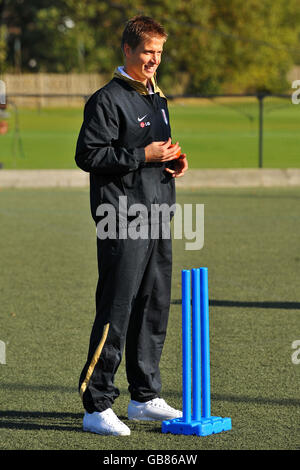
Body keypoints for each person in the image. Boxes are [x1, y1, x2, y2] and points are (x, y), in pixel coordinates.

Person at [75, 15, 188, 436]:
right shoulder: (106, 99)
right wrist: (145, 157)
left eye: (159, 52)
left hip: (158, 216)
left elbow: (155, 151)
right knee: (116, 310)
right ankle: (96, 403)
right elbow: (89, 155)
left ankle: (143, 397)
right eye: (146, 52)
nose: (153, 60)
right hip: (121, 219)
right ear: (127, 50)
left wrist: (173, 161)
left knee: (153, 307)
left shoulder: (157, 98)